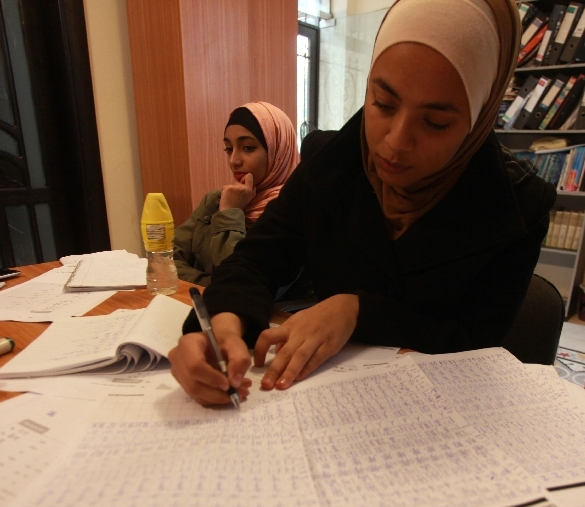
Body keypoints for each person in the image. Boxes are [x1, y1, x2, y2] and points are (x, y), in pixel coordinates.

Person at [170, 0, 556, 405]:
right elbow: (255, 261)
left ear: (479, 117)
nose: (395, 142)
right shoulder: (329, 162)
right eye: (383, 103)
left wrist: (356, 311)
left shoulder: (517, 206)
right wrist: (222, 323)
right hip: (331, 399)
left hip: (440, 409)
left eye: (435, 122)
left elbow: (474, 341)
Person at [172, 101, 299, 286]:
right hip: (195, 301)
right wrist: (213, 284)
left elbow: (242, 282)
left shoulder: (291, 213)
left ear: (278, 151)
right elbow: (166, 260)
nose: (234, 161)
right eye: (229, 149)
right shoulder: (215, 200)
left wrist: (229, 212)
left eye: (248, 148)